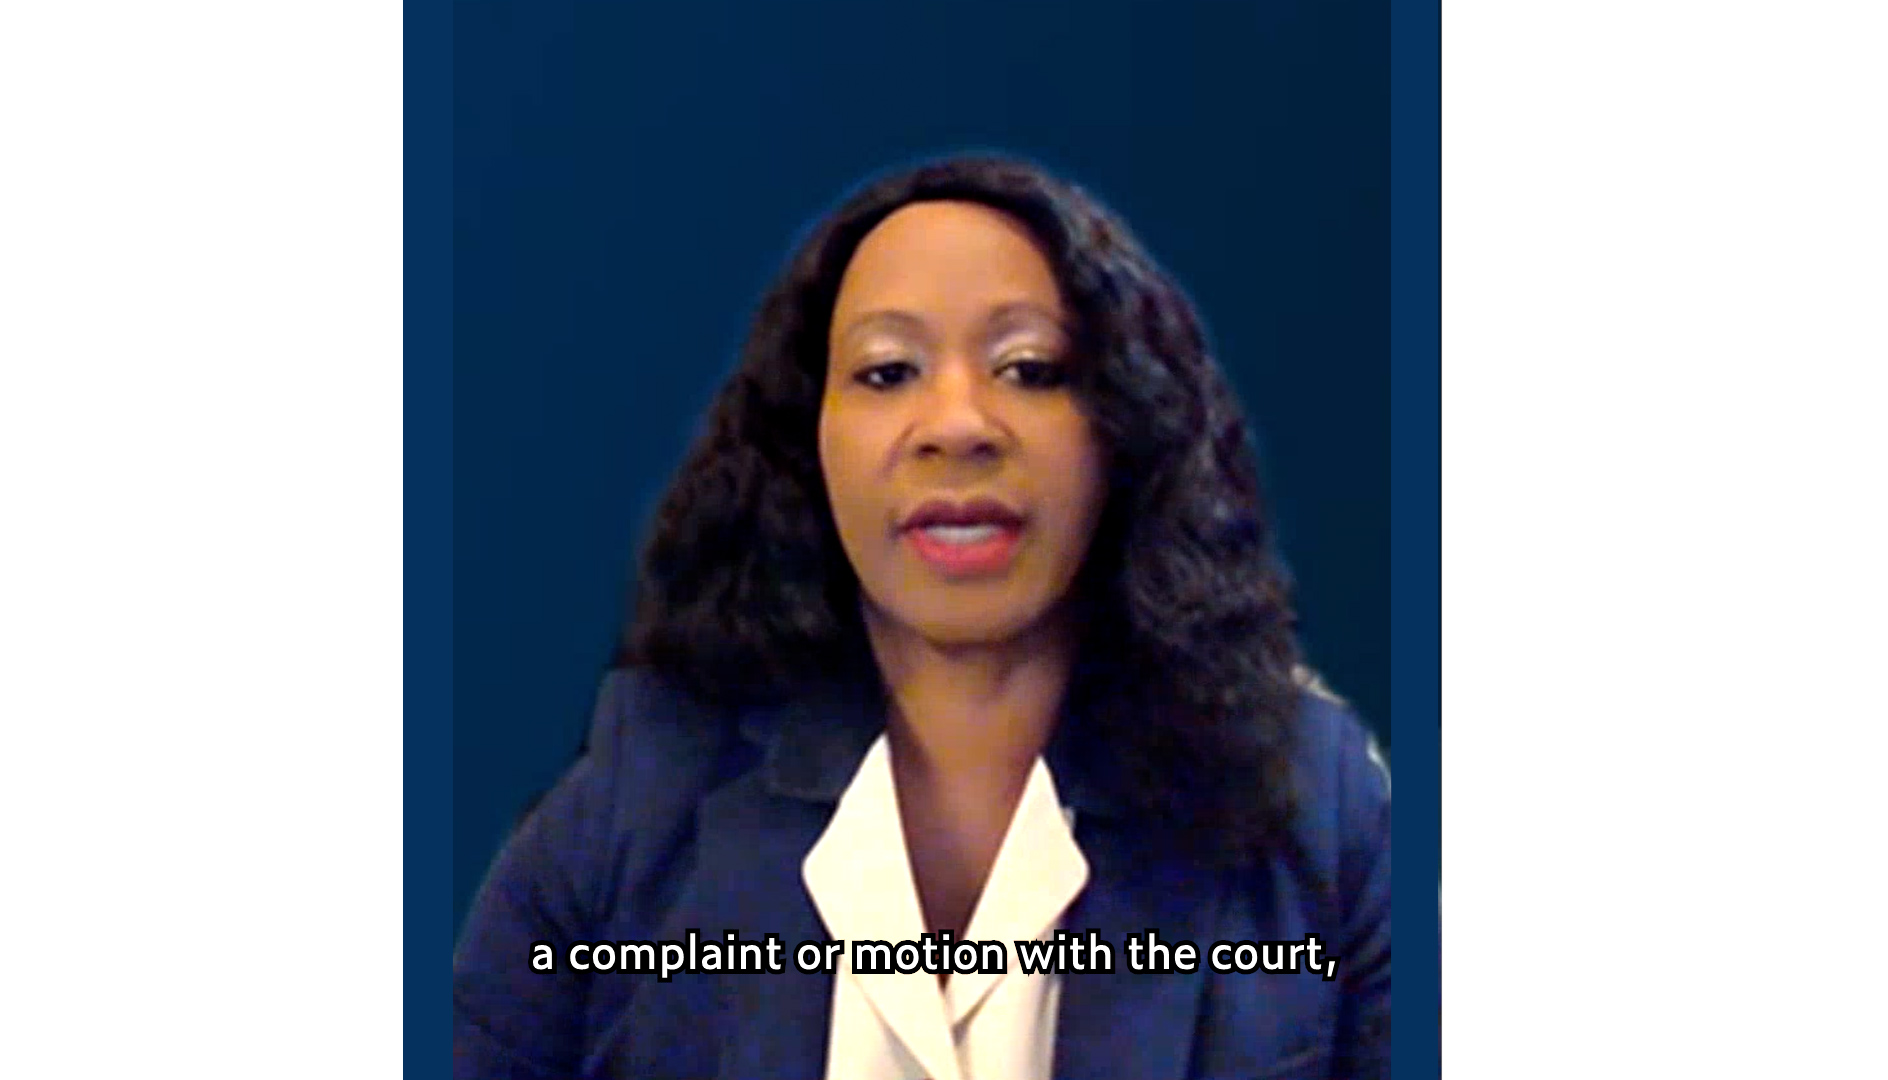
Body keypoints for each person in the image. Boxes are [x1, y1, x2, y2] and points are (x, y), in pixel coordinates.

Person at [452, 156, 1390, 1080]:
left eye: (1029, 368)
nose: (958, 425)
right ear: (807, 436)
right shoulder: (640, 794)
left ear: (1127, 426)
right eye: (888, 370)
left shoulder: (1321, 802)